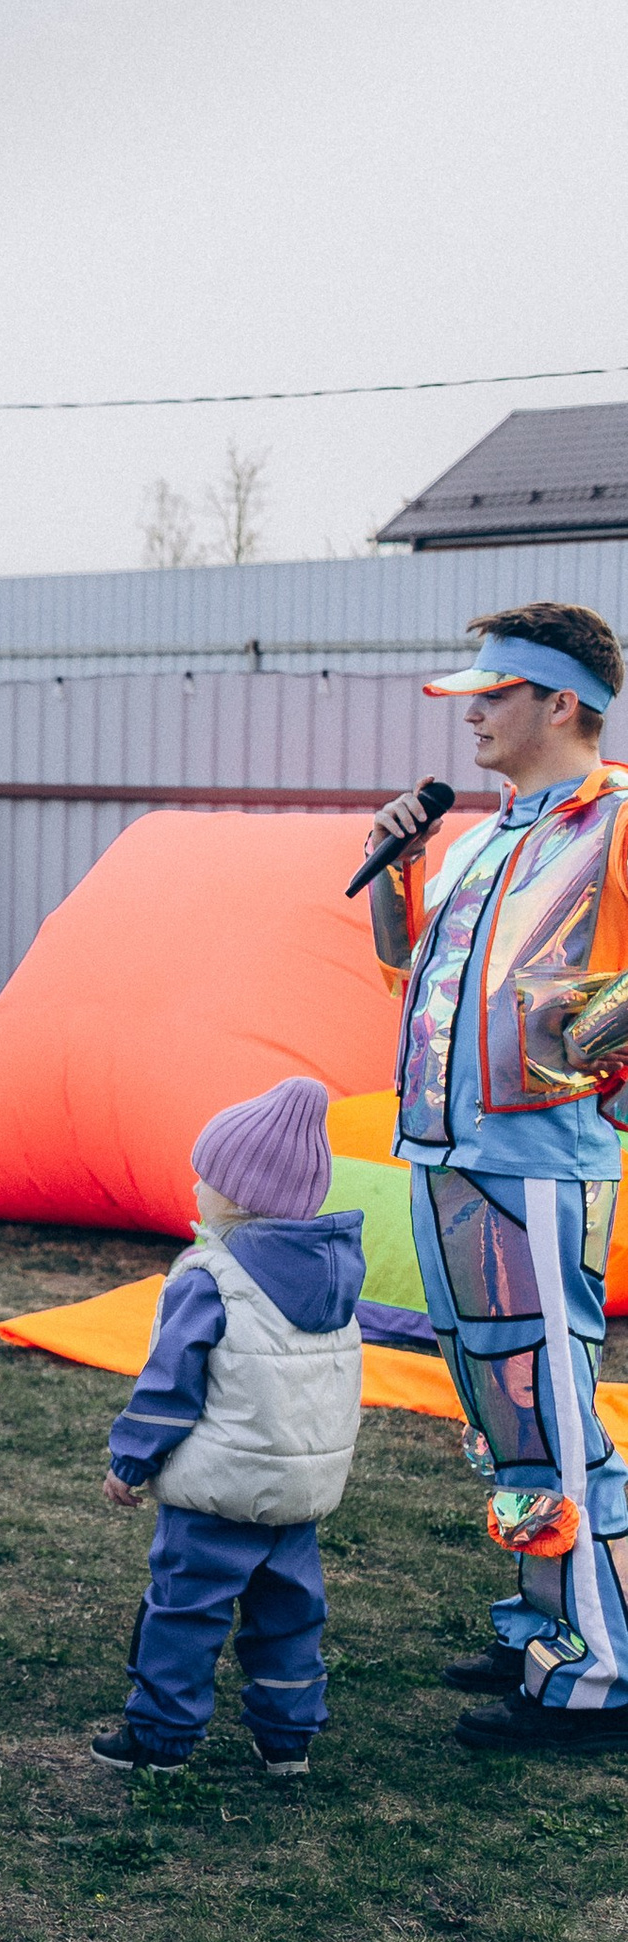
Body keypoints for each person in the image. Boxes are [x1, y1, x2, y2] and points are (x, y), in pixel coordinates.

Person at [362, 601, 628, 1754]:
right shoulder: (480, 834)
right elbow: (403, 974)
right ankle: (539, 1621)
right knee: (501, 1407)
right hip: (446, 1152)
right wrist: (393, 871)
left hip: (537, 1162)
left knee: (554, 1413)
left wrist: (578, 1047)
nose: (471, 713)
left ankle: (599, 1672)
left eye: (492, 694)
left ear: (558, 703)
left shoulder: (614, 824)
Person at [91, 1078, 362, 1774]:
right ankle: (287, 1740)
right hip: (297, 1494)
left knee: (185, 1611)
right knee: (290, 1616)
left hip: (219, 1495)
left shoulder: (209, 1278)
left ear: (236, 1197)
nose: (195, 1187)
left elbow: (169, 1384)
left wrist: (131, 1459)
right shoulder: (333, 1280)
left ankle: (160, 1739)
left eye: (204, 1176)